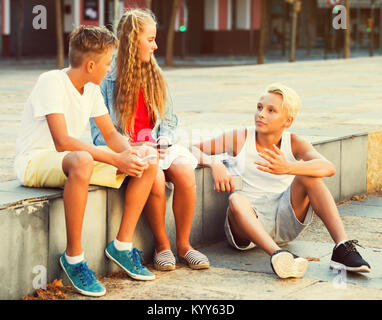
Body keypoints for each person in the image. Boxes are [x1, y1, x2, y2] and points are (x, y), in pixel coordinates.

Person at [14, 25, 159, 297]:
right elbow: (63, 141)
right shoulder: (51, 81)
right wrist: (116, 160)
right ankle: (74, 259)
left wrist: (130, 153)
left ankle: (122, 247)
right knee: (82, 159)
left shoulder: (91, 90)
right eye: (107, 63)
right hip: (34, 163)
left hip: (69, 161)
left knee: (148, 159)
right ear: (91, 65)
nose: (109, 68)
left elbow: (111, 135)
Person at [191, 83, 371, 279]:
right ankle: (278, 254)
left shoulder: (294, 142)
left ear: (288, 121)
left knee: (309, 176)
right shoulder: (240, 138)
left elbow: (329, 167)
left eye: (271, 111)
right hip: (248, 222)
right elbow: (193, 148)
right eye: (259, 107)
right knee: (236, 199)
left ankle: (342, 247)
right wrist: (214, 164)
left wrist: (289, 168)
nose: (261, 114)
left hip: (285, 217)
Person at [90, 9, 209, 271]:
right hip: (129, 149)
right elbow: (100, 133)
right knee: (154, 177)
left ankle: (185, 246)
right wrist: (134, 146)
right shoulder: (107, 81)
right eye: (151, 39)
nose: (155, 46)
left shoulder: (156, 76)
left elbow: (169, 120)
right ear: (133, 40)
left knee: (185, 173)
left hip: (156, 145)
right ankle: (162, 245)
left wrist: (164, 140)